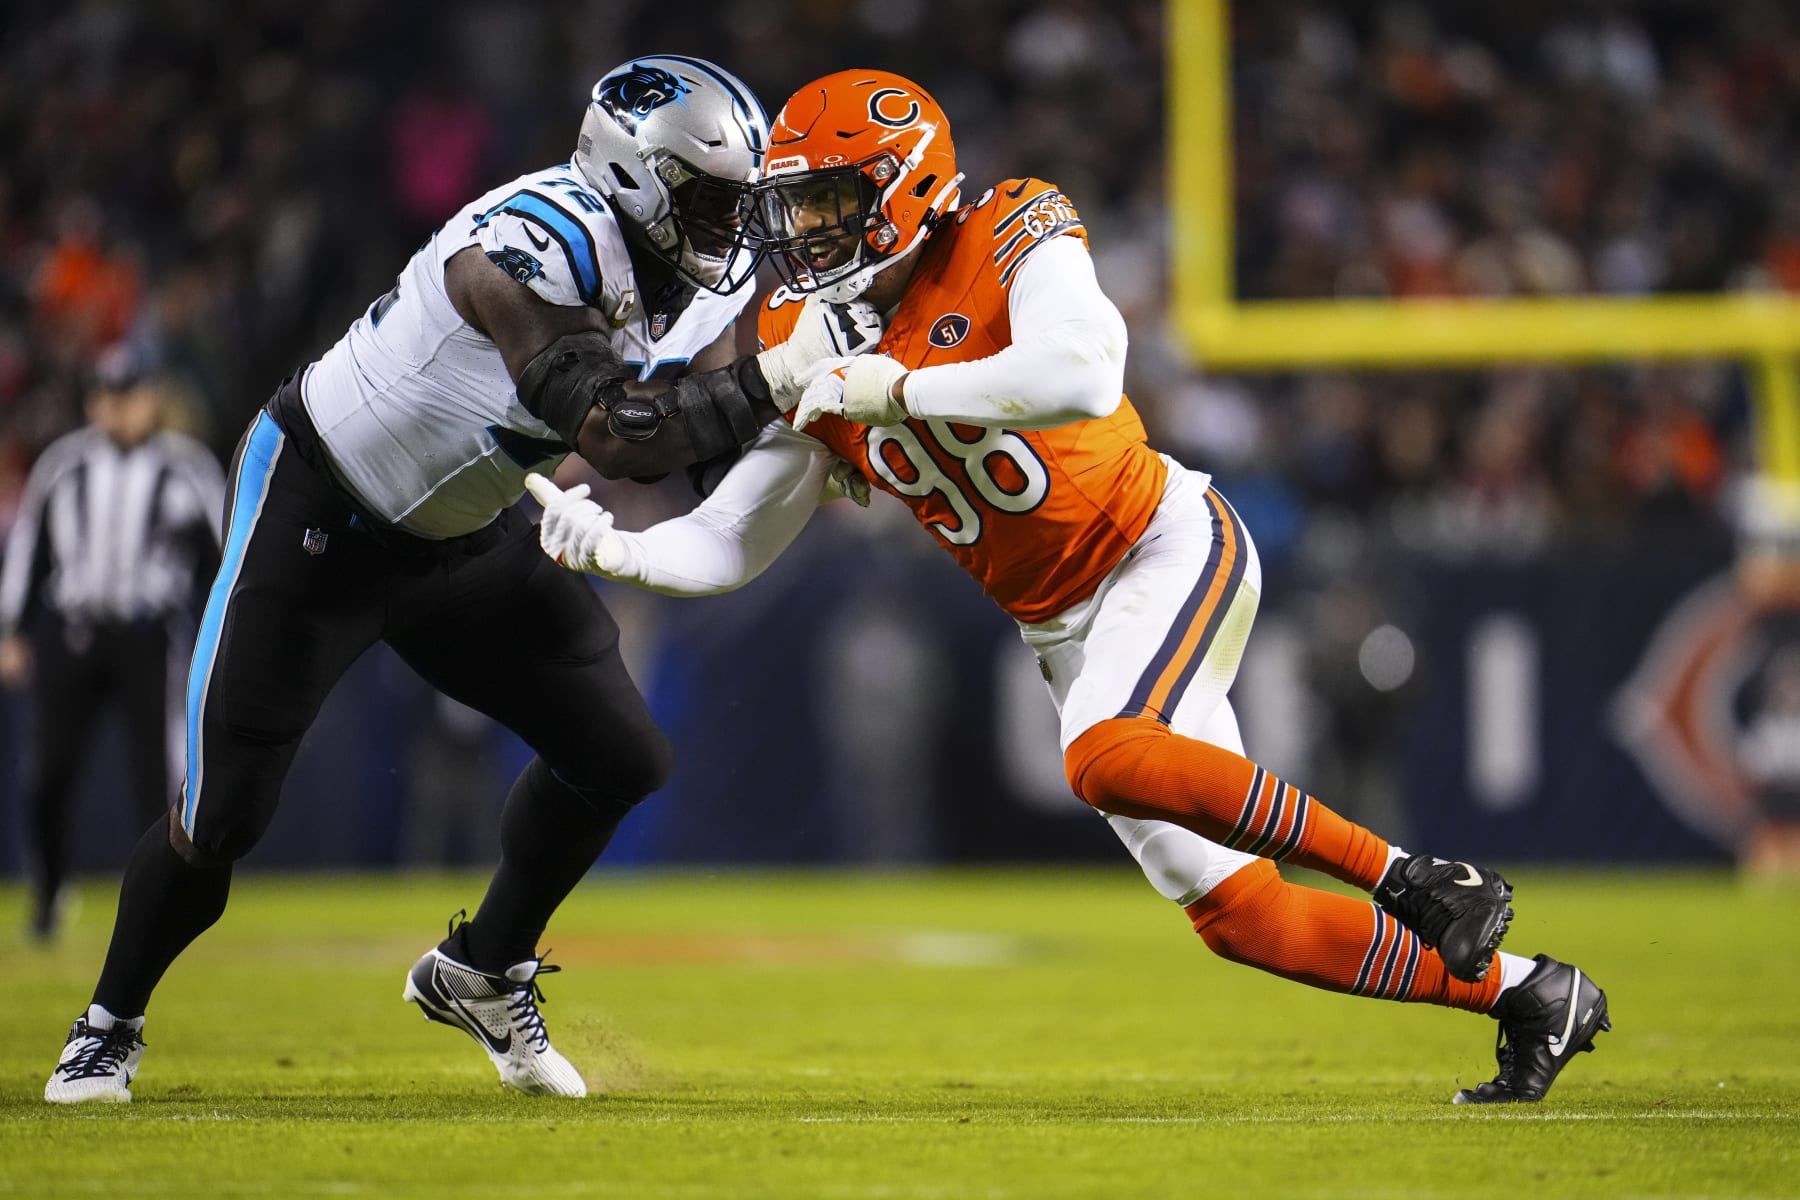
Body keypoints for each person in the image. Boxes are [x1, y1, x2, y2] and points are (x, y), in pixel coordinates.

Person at [525, 69, 1612, 1105]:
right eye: (791, 208)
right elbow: (736, 537)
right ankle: (1531, 995)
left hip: (1160, 544)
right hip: (1057, 624)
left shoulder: (1008, 227)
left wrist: (900, 387)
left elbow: (1084, 370)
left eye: (829, 203)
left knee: (1101, 755)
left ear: (903, 192)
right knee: (1244, 919)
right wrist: (622, 551)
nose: (803, 233)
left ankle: (1415, 878)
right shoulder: (803, 337)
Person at [44, 55, 884, 1105]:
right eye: (712, 201)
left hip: (468, 528)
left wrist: (820, 433)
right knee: (221, 821)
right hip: (321, 513)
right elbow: (617, 435)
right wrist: (781, 380)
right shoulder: (528, 245)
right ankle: (105, 1026)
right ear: (632, 177)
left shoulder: (694, 280)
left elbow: (705, 424)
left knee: (619, 753)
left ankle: (483, 970)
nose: (732, 228)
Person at [0, 345, 224, 941]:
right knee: (48, 773)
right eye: (107, 396)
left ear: (153, 398)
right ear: (92, 402)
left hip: (148, 637)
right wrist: (13, 631)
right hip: (73, 633)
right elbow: (29, 551)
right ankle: (48, 894)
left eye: (129, 395)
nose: (119, 409)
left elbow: (223, 559)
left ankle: (161, 905)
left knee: (158, 779)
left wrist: (221, 634)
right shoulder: (63, 466)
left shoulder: (185, 468)